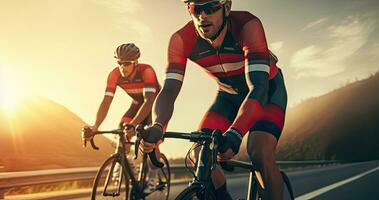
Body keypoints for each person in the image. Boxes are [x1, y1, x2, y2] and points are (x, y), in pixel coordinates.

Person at [143, 0, 287, 199]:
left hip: (267, 92)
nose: (202, 16)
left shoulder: (247, 25)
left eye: (210, 7)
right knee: (198, 155)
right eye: (196, 9)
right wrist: (159, 125)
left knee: (259, 152)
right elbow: (168, 90)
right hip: (228, 95)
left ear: (227, 8)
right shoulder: (180, 39)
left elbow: (259, 87)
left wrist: (235, 133)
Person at [82, 43, 162, 190]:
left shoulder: (147, 71)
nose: (122, 67)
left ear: (136, 63)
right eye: (119, 63)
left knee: (151, 140)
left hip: (155, 104)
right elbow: (106, 102)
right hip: (137, 103)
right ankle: (127, 163)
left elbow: (149, 101)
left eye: (126, 63)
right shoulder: (114, 75)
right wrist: (95, 126)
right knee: (122, 131)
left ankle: (153, 173)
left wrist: (134, 124)